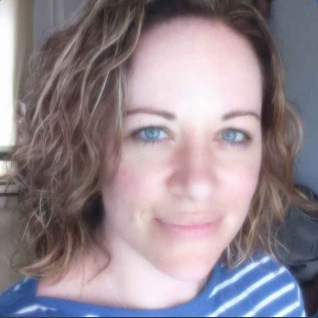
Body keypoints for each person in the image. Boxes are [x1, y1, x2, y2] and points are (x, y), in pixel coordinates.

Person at [0, 0, 314, 316]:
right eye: (152, 132)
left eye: (233, 134)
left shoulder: (274, 292)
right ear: (85, 144)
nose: (198, 185)